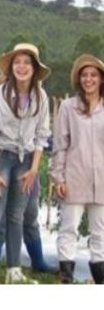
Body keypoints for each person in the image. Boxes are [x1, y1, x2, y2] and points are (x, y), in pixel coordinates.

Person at [0, 43, 51, 284]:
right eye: (17, 62)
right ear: (11, 67)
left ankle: (13, 271)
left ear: (34, 68)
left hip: (26, 159)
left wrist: (33, 169)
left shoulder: (41, 97)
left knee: (17, 216)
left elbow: (42, 135)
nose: (21, 67)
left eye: (27, 63)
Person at [50, 54, 104, 284]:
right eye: (84, 75)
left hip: (101, 178)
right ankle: (67, 279)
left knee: (100, 232)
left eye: (93, 75)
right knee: (69, 228)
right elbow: (60, 145)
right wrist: (58, 177)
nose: (88, 79)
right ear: (78, 79)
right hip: (74, 176)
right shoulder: (68, 107)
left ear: (101, 79)